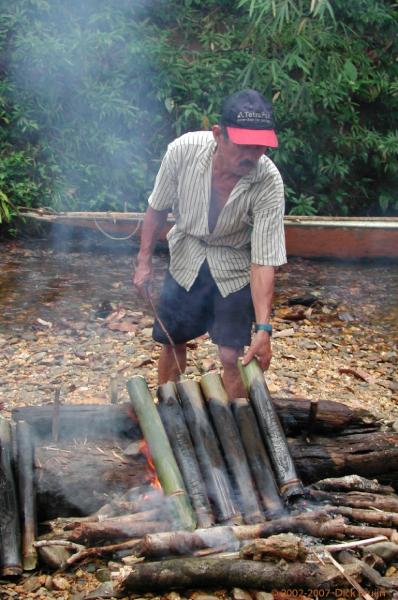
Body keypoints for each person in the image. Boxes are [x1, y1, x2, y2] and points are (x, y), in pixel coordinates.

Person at [133, 89, 286, 399]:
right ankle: (167, 414)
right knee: (172, 341)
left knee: (232, 356)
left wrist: (264, 328)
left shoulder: (268, 180)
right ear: (219, 135)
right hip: (186, 255)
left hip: (233, 265)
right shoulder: (183, 151)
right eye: (244, 145)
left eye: (260, 147)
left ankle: (239, 425)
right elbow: (157, 208)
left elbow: (264, 259)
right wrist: (143, 261)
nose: (252, 155)